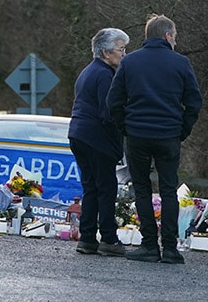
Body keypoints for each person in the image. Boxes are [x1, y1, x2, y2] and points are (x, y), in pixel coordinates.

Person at [106, 15, 203, 265]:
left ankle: (149, 245)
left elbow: (114, 101)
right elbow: (194, 102)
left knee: (142, 189)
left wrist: (126, 126)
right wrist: (182, 129)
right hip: (169, 134)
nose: (176, 41)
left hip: (138, 134)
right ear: (167, 36)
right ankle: (170, 248)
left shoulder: (130, 62)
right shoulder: (181, 63)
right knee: (169, 190)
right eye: (175, 36)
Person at [68, 27, 130, 257]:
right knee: (106, 188)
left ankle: (87, 238)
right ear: (105, 52)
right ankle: (109, 239)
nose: (124, 54)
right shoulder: (105, 75)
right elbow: (108, 113)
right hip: (96, 137)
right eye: (120, 49)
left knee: (91, 188)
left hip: (79, 133)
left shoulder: (88, 71)